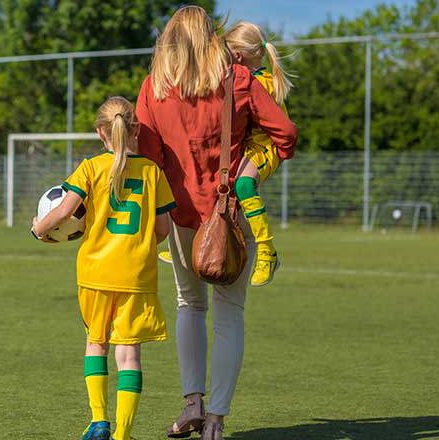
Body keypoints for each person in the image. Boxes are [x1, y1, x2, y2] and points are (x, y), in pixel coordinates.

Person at [135, 6, 298, 440]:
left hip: (181, 220)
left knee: (190, 306)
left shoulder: (153, 88)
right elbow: (286, 135)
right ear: (211, 38)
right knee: (230, 315)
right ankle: (217, 420)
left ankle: (192, 404)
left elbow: (148, 160)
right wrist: (252, 168)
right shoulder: (238, 80)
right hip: (231, 219)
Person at [31, 96, 176, 440]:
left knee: (96, 343)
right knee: (129, 355)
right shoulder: (153, 171)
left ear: (100, 132)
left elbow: (66, 211)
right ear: (136, 129)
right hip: (137, 275)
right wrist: (137, 247)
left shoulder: (90, 167)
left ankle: (99, 422)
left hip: (95, 273)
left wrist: (38, 229)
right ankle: (122, 435)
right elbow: (163, 230)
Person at [225, 21, 295, 286]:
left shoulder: (259, 83)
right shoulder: (241, 78)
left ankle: (267, 251)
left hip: (265, 146)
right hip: (248, 145)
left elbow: (280, 129)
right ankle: (202, 242)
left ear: (238, 56)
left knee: (243, 185)